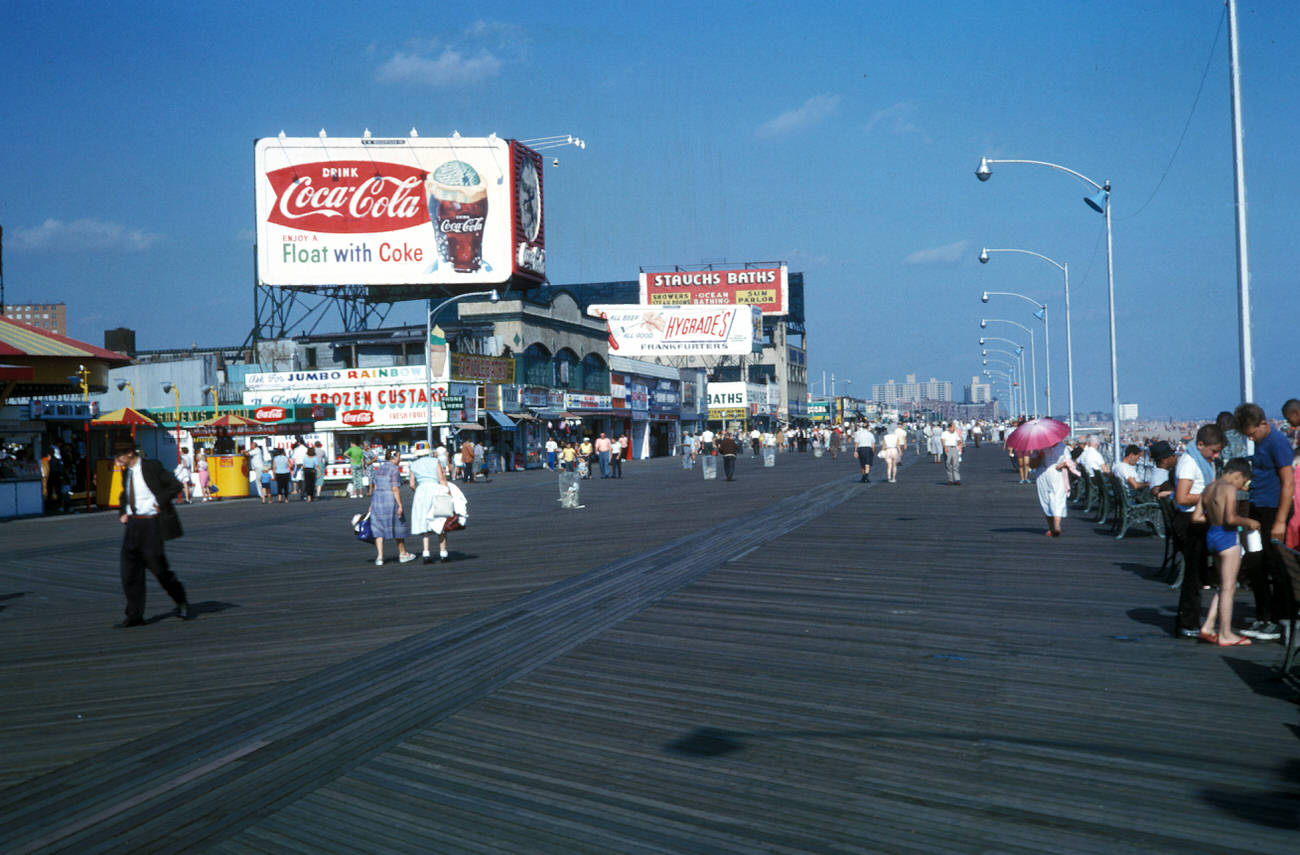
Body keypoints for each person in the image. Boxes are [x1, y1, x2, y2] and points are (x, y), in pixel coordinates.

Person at [112, 440, 191, 627]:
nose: (117, 459)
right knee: (129, 571)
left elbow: (175, 485)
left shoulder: (151, 466)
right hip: (133, 524)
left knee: (158, 568)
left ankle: (180, 600)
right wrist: (122, 512)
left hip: (152, 523)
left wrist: (159, 502)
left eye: (119, 455)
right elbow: (125, 495)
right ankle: (134, 615)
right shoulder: (126, 473)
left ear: (130, 453)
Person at [1236, 403, 1295, 641]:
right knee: (1256, 563)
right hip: (1258, 509)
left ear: (1263, 423)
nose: (1251, 438)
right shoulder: (1261, 442)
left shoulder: (1277, 442)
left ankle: (1277, 618)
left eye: (1252, 433)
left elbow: (1287, 482)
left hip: (1273, 512)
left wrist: (1280, 521)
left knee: (1274, 565)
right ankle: (1264, 616)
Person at [1197, 459, 1261, 646]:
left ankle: (1208, 626)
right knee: (1229, 588)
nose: (1242, 487)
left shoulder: (1209, 488)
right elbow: (1231, 518)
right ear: (1238, 475)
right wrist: (1250, 523)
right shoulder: (1229, 488)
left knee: (1224, 585)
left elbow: (1197, 516)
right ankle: (1225, 633)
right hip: (1227, 537)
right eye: (1243, 483)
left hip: (1212, 535)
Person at [1171, 423, 1225, 639]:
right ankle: (1187, 623)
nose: (1216, 455)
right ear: (1201, 445)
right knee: (1193, 575)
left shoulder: (1201, 460)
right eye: (1214, 451)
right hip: (1189, 521)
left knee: (1199, 572)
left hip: (1199, 519)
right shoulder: (1189, 463)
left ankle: (1190, 620)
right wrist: (1209, 494)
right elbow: (1182, 497)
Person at [369, 449, 415, 565]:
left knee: (378, 528)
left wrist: (371, 504)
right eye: (399, 456)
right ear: (393, 457)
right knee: (397, 525)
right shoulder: (394, 470)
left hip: (377, 499)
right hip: (390, 499)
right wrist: (400, 505)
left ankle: (379, 557)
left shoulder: (378, 469)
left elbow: (375, 487)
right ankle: (403, 553)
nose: (401, 459)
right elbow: (395, 489)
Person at [409, 446, 450, 562]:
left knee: (424, 521)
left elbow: (412, 484)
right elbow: (441, 478)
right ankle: (443, 552)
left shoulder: (413, 464)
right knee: (440, 519)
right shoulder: (435, 461)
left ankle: (426, 552)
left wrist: (418, 490)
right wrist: (448, 491)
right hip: (435, 489)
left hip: (421, 492)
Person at [1033, 443, 1079, 537]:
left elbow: (1068, 462)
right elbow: (1032, 465)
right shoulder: (1040, 447)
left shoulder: (1061, 447)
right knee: (1047, 499)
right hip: (1044, 474)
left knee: (1057, 497)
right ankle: (1053, 527)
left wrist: (1063, 464)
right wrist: (1040, 457)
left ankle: (1055, 526)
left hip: (1055, 473)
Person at [941, 421, 962, 486]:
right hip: (948, 448)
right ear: (949, 427)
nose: (954, 429)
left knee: (955, 464)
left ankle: (957, 479)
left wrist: (958, 443)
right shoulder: (944, 433)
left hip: (954, 448)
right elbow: (942, 440)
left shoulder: (955, 433)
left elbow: (959, 440)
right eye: (953, 427)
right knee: (948, 463)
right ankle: (950, 479)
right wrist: (945, 447)